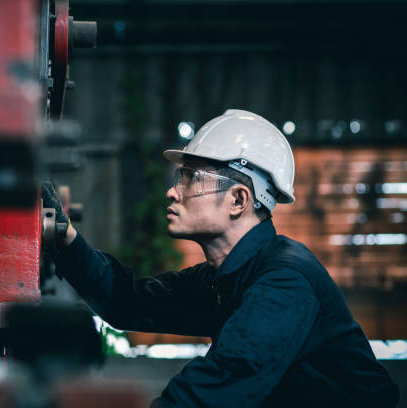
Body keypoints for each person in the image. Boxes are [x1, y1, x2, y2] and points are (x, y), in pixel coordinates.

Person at [41, 109, 399, 407]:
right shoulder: (225, 277)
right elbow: (127, 300)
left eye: (190, 178)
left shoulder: (283, 283)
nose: (171, 191)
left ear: (239, 200)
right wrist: (65, 237)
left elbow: (215, 391)